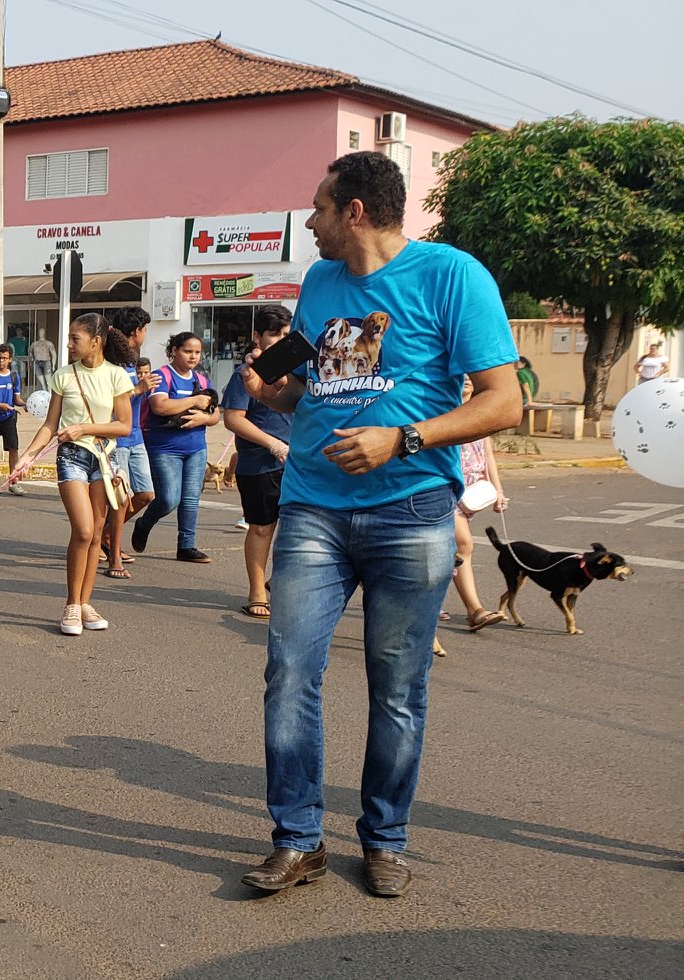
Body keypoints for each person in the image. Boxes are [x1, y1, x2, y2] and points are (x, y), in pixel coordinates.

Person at [237, 151, 520, 898]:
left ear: (354, 211)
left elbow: (503, 401)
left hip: (412, 509)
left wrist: (403, 439)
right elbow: (311, 391)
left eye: (319, 207)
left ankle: (385, 838)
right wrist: (270, 390)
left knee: (397, 687)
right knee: (289, 671)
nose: (310, 221)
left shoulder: (453, 276)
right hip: (313, 508)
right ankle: (298, 840)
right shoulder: (320, 282)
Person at [15, 314, 134, 637]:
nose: (68, 344)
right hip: (71, 457)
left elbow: (124, 426)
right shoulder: (64, 375)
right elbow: (49, 425)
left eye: (74, 339)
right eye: (69, 338)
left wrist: (83, 427)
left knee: (95, 534)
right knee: (82, 530)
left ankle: (84, 603)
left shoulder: (116, 375)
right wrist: (26, 457)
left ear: (96, 341)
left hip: (103, 458)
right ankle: (70, 603)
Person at [222, 306, 297, 619]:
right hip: (259, 464)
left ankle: (279, 583)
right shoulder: (246, 373)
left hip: (298, 463)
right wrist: (274, 444)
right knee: (262, 528)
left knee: (298, 530)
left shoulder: (297, 371)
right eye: (274, 334)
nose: (280, 340)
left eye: (286, 334)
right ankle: (256, 591)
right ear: (257, 336)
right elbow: (233, 419)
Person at [133, 332, 222, 563]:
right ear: (174, 351)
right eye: (187, 351)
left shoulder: (202, 380)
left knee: (191, 499)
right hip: (164, 448)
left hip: (196, 448)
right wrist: (194, 401)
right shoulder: (161, 376)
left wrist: (205, 418)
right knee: (169, 499)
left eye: (197, 352)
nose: (193, 357)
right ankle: (144, 523)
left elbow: (215, 414)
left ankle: (186, 546)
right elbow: (160, 407)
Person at [445, 377, 509, 636]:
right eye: (463, 375)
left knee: (447, 551)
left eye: (472, 375)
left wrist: (498, 490)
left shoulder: (482, 414)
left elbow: (488, 455)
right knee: (463, 546)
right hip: (448, 489)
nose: (468, 379)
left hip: (473, 491)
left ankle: (429, 601)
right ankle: (475, 610)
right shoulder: (444, 412)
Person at [102, 309, 157, 578]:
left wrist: (145, 390)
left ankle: (106, 535)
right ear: (136, 331)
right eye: (145, 330)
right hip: (117, 439)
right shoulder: (111, 362)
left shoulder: (132, 360)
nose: (146, 335)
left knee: (146, 494)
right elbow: (108, 405)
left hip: (136, 437)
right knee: (120, 499)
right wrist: (138, 390)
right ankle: (114, 558)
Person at [0, 343, 27, 497]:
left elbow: (17, 399)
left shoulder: (14, 377)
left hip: (9, 418)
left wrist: (26, 404)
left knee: (13, 448)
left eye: (4, 358)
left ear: (10, 359)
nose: (1, 361)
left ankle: (13, 482)